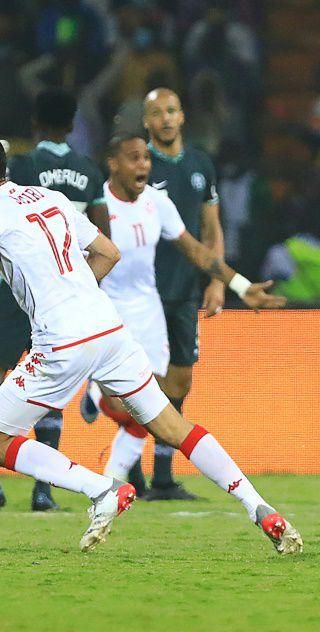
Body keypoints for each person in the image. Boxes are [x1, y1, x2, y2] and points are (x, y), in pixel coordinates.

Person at [0, 135, 301, 555]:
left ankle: (101, 489)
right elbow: (108, 252)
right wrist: (74, 291)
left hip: (61, 342)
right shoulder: (49, 197)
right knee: (172, 427)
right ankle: (258, 506)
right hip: (109, 329)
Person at [94, 134, 289, 481]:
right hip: (107, 312)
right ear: (113, 163)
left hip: (148, 312)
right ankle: (96, 397)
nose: (143, 165)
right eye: (134, 158)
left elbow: (197, 251)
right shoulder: (96, 204)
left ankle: (113, 485)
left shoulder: (158, 203)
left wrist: (240, 286)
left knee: (152, 404)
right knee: (120, 401)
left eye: (145, 159)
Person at [0, 90, 109, 513]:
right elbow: (103, 235)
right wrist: (78, 281)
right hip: (68, 291)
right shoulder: (89, 171)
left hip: (19, 290)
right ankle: (44, 490)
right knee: (51, 388)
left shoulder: (21, 168)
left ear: (37, 123)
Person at [95, 87, 228, 500]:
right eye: (158, 113)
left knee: (179, 381)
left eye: (172, 111)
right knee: (135, 385)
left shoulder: (200, 165)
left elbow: (210, 230)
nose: (167, 119)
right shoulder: (139, 170)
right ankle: (131, 470)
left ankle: (163, 473)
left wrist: (219, 280)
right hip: (142, 294)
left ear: (183, 116)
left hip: (184, 290)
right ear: (148, 122)